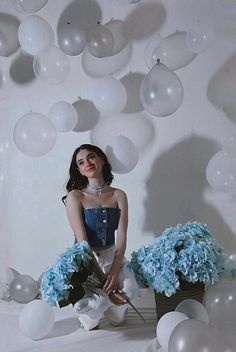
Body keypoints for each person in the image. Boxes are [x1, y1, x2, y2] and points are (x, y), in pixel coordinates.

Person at [63, 144, 139, 330]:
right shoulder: (75, 196)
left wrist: (113, 271)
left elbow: (122, 236)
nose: (87, 163)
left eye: (91, 157)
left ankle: (111, 307)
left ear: (101, 160)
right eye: (81, 162)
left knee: (128, 295)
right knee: (96, 310)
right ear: (79, 170)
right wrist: (104, 280)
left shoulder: (119, 195)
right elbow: (83, 243)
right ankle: (92, 309)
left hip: (112, 255)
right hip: (87, 259)